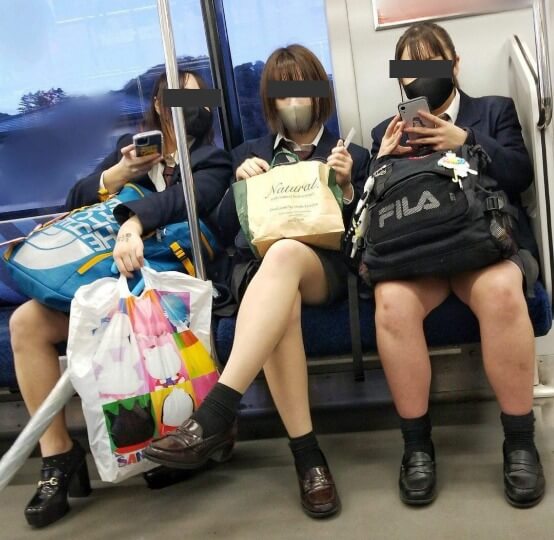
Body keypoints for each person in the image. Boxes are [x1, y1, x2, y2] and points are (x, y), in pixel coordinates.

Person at [144, 44, 370, 518]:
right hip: (262, 272)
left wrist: (348, 188)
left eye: (301, 90)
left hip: (324, 267)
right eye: (281, 93)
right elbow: (225, 231)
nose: (293, 101)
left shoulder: (352, 153)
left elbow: (363, 234)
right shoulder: (247, 154)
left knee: (286, 255)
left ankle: (217, 412)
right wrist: (239, 189)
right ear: (269, 102)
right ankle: (308, 457)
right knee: (281, 303)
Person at [9, 69, 232, 528]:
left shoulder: (212, 159)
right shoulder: (127, 155)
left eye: (197, 97)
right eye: (176, 95)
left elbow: (186, 201)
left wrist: (133, 221)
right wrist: (115, 175)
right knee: (25, 323)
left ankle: (176, 436)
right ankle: (58, 456)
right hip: (108, 281)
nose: (187, 104)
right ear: (158, 104)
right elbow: (75, 204)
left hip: (167, 285)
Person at [370, 22, 545, 507]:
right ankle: (416, 446)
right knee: (391, 303)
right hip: (418, 257)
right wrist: (381, 161)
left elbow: (520, 175)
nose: (420, 76)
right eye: (409, 69)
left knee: (501, 291)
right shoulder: (386, 131)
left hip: (483, 247)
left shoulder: (492, 112)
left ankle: (520, 441)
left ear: (454, 64)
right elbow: (371, 210)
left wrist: (464, 140)